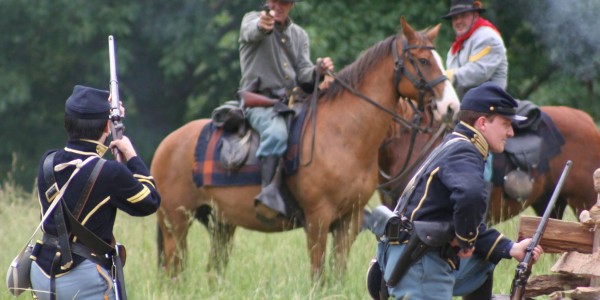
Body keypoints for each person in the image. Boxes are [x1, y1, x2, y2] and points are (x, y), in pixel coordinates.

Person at [374, 82, 543, 299]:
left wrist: (511, 248)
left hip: (417, 256)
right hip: (421, 265)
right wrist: (466, 242)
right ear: (482, 123)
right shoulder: (465, 150)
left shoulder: (456, 143)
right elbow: (471, 196)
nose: (510, 132)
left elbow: (462, 218)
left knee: (482, 261)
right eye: (506, 123)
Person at [30, 85, 161, 300]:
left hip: (42, 273)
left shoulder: (48, 160)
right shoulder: (110, 172)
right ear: (107, 128)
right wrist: (132, 156)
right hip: (82, 278)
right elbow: (150, 200)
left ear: (68, 123)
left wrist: (107, 118)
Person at [238, 0, 334, 221]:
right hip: (260, 103)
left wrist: (317, 70)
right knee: (276, 134)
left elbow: (302, 72)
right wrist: (263, 25)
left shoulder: (299, 35)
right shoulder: (251, 20)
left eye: (286, 2)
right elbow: (255, 31)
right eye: (275, 1)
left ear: (291, 5)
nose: (279, 6)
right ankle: (268, 194)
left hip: (292, 103)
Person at [443, 0, 508, 99]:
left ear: (476, 16)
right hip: (464, 107)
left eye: (463, 16)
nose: (458, 21)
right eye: (455, 18)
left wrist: (446, 76)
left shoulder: (488, 37)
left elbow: (479, 72)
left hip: (489, 106)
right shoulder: (454, 49)